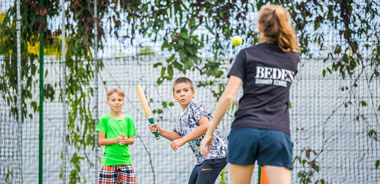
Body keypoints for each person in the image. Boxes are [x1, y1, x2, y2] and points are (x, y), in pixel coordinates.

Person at [200, 5, 300, 184]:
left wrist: (210, 132)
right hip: (276, 133)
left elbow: (228, 97)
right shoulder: (292, 58)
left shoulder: (246, 54)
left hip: (244, 131)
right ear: (284, 26)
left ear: (260, 27)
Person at [148, 77, 228, 184]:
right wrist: (160, 131)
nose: (182, 94)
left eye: (186, 90)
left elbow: (205, 126)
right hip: (202, 159)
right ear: (174, 96)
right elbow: (178, 136)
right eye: (178, 91)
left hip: (215, 154)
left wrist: (183, 140)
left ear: (193, 93)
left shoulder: (195, 106)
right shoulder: (183, 116)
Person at [96, 88, 137, 184]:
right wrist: (116, 140)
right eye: (113, 100)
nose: (116, 103)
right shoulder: (104, 119)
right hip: (109, 162)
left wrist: (126, 140)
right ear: (108, 102)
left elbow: (132, 140)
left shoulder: (128, 119)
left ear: (123, 102)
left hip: (125, 161)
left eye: (119, 100)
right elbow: (101, 141)